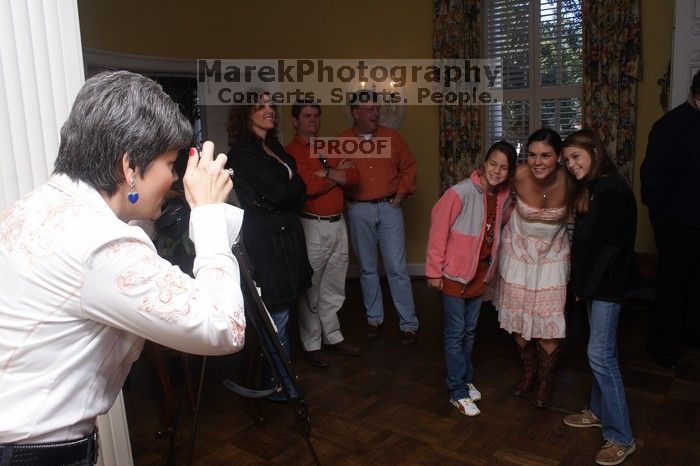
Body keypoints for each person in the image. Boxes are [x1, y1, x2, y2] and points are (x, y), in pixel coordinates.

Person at [0, 71, 245, 462]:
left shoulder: (41, 206)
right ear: (130, 166)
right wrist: (212, 215)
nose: (175, 177)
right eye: (169, 162)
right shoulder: (100, 243)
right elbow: (223, 327)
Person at [561, 129, 637, 465]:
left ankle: (621, 437)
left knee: (601, 355)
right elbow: (587, 245)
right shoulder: (593, 187)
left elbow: (610, 248)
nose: (571, 164)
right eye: (567, 160)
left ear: (594, 151)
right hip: (596, 285)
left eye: (576, 157)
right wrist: (581, 284)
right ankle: (597, 410)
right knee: (599, 352)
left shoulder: (612, 188)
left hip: (608, 286)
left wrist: (586, 287)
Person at [426, 141, 517, 416]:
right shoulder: (459, 192)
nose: (497, 171)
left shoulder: (502, 196)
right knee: (455, 334)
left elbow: (495, 226)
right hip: (454, 275)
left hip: (479, 275)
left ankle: (465, 378)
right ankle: (457, 391)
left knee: (469, 331)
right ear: (484, 163)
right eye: (493, 164)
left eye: (503, 167)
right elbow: (438, 230)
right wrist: (433, 271)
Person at [226, 92, 312, 372]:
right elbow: (278, 192)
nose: (269, 110)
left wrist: (291, 189)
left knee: (287, 306)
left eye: (271, 105)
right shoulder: (243, 152)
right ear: (246, 112)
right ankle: (280, 382)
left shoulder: (272, 145)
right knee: (276, 309)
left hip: (286, 232)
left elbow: (297, 190)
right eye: (260, 106)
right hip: (265, 236)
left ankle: (281, 378)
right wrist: (291, 188)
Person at [492, 128, 571, 408]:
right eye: (532, 154)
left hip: (553, 255)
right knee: (517, 316)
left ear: (559, 157)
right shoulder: (518, 175)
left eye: (546, 155)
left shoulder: (572, 179)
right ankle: (528, 370)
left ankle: (546, 377)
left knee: (549, 320)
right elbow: (488, 187)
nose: (537, 161)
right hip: (518, 253)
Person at [339, 90, 419, 345]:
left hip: (389, 208)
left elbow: (409, 168)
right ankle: (374, 318)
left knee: (397, 267)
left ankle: (408, 323)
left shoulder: (393, 137)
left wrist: (400, 195)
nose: (376, 113)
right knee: (367, 269)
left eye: (377, 108)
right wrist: (346, 203)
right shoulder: (341, 141)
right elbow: (332, 175)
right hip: (358, 210)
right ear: (355, 113)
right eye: (370, 109)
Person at [286, 101, 360, 368]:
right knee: (311, 287)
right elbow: (308, 187)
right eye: (307, 116)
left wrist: (326, 172)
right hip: (313, 225)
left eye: (316, 115)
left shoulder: (328, 146)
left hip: (339, 223)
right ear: (296, 121)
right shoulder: (292, 151)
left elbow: (354, 175)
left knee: (334, 285)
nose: (313, 120)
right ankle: (312, 343)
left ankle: (333, 336)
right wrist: (335, 175)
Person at [640, 70, 700, 371]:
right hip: (678, 228)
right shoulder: (670, 126)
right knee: (672, 289)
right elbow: (652, 181)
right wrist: (666, 226)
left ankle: (690, 337)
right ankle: (662, 347)